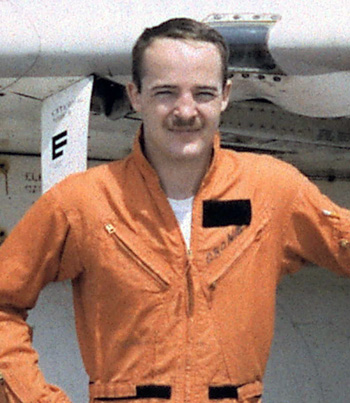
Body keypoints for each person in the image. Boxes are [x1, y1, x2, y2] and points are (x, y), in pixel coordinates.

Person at [0, 17, 350, 403]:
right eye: (166, 92)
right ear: (135, 95)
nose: (186, 111)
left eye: (202, 93)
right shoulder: (83, 202)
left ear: (225, 96)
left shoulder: (271, 190)